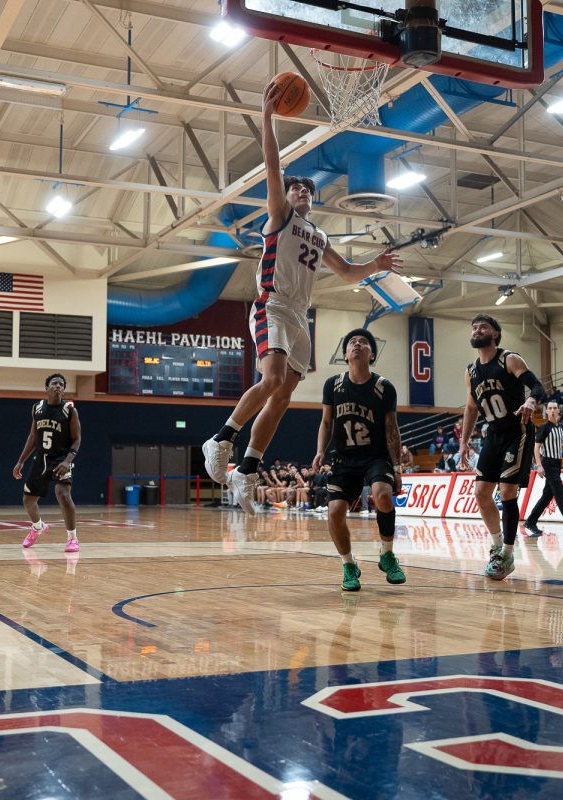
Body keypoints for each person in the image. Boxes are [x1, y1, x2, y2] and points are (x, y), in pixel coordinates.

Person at [202, 78, 402, 514]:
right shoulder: (280, 215)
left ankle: (247, 469)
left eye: (308, 190)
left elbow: (347, 271)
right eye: (297, 189)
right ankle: (221, 439)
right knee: (270, 379)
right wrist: (268, 116)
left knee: (284, 395)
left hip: (300, 316)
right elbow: (273, 165)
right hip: (272, 303)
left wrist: (375, 266)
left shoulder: (317, 233)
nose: (302, 193)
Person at [312, 329, 405, 591]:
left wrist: (396, 467)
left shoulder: (384, 387)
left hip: (375, 456)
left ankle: (387, 555)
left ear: (371, 354)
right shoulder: (333, 384)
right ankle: (348, 564)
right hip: (344, 458)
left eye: (363, 342)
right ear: (345, 354)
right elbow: (327, 422)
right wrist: (320, 451)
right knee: (335, 511)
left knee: (383, 495)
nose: (357, 344)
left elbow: (391, 429)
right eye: (352, 342)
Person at [457, 314, 545, 581]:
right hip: (492, 434)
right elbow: (471, 408)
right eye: (474, 327)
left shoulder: (509, 359)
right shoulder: (471, 371)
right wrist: (464, 441)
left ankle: (507, 554)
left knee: (507, 491)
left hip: (516, 430)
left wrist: (531, 403)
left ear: (495, 333)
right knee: (481, 493)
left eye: (483, 327)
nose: (477, 330)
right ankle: (496, 545)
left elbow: (538, 387)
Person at [12, 373, 81, 553]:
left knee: (63, 494)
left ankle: (72, 538)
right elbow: (32, 437)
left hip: (61, 460)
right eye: (54, 383)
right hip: (41, 459)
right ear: (47, 388)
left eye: (61, 384)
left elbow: (77, 439)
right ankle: (37, 527)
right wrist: (20, 461)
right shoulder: (37, 408)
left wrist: (68, 461)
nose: (58, 386)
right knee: (28, 500)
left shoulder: (69, 410)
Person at [523, 401, 563, 538]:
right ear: (546, 412)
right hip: (547, 463)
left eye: (555, 408)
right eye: (550, 408)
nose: (552, 410)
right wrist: (539, 465)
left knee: (547, 496)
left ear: (558, 410)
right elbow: (536, 447)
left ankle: (530, 521)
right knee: (560, 493)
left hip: (557, 463)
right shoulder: (544, 428)